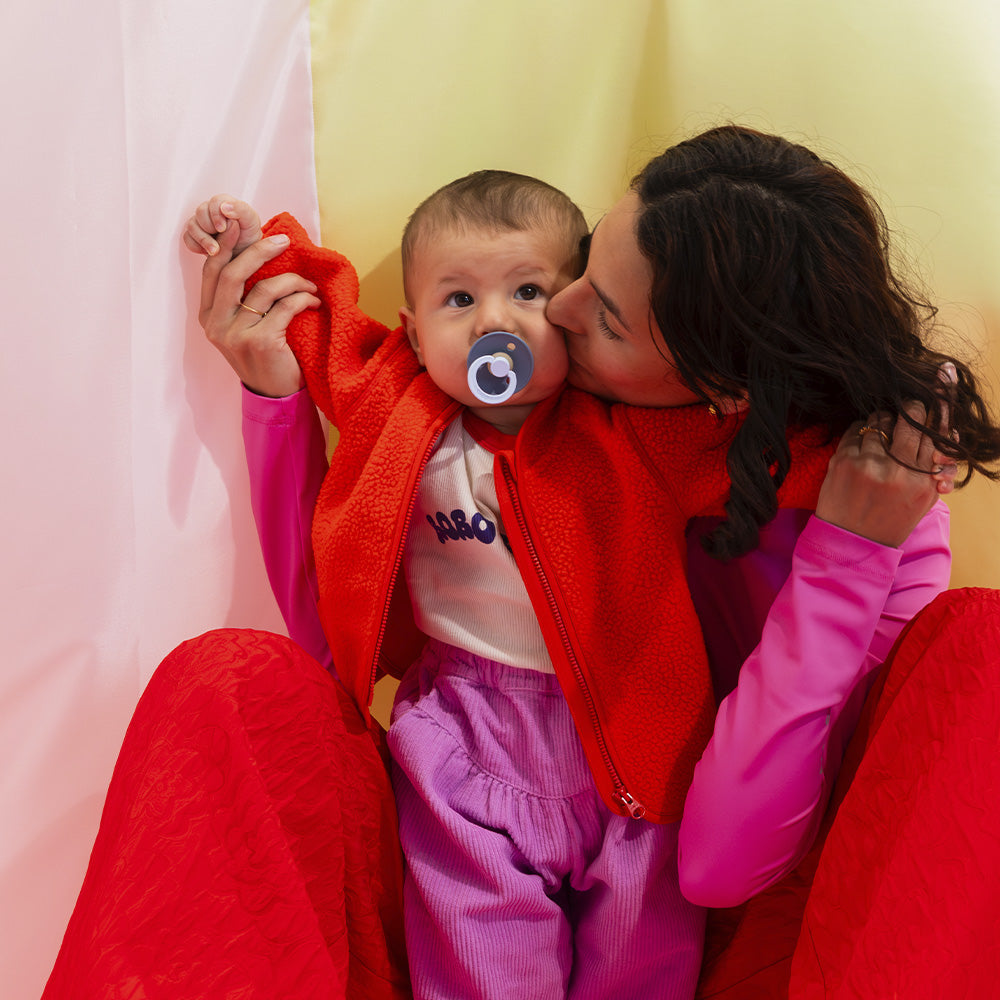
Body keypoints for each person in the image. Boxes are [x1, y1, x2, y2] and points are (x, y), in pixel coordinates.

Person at [43, 127, 999, 1000]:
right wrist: (276, 387)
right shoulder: (433, 416)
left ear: (721, 396)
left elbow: (720, 866)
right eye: (587, 265)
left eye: (594, 313)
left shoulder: (843, 492)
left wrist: (850, 553)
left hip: (694, 855)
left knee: (983, 647)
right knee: (227, 680)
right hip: (464, 767)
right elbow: (339, 614)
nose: (552, 313)